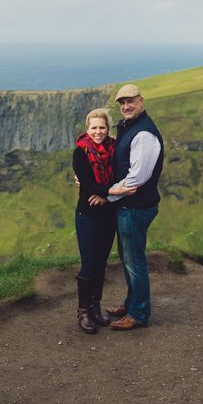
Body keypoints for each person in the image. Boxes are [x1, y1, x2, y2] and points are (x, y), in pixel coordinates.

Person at [105, 83, 163, 331]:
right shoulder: (129, 127)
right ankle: (132, 303)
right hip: (128, 207)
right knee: (128, 258)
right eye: (122, 103)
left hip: (136, 208)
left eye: (131, 101)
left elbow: (138, 178)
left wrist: (107, 194)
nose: (126, 106)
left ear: (141, 100)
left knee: (134, 260)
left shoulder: (144, 134)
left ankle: (139, 313)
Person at [71, 108, 134, 334]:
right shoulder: (80, 152)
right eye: (94, 128)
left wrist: (106, 195)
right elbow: (86, 183)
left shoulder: (115, 149)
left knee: (101, 264)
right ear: (87, 129)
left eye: (102, 127)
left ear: (108, 129)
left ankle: (95, 307)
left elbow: (122, 174)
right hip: (87, 216)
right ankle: (83, 312)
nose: (98, 132)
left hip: (108, 215)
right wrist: (111, 192)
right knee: (89, 264)